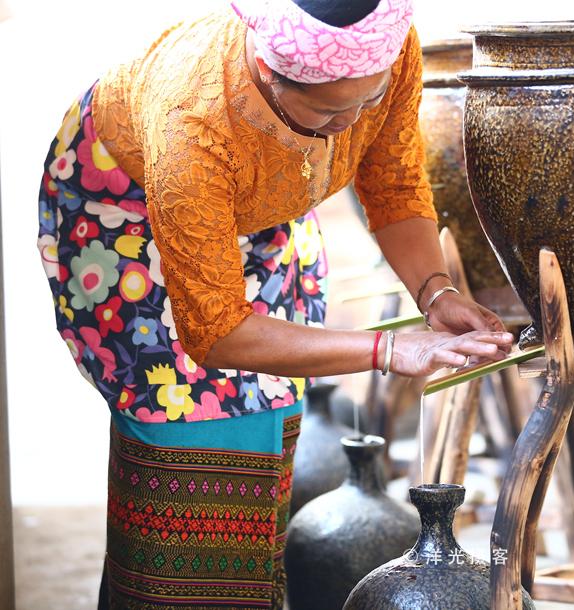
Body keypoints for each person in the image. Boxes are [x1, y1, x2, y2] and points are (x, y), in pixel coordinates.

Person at [36, 0, 512, 607]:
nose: (351, 124)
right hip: (125, 218)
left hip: (260, 208)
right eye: (329, 108)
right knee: (185, 423)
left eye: (368, 100)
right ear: (268, 71)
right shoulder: (193, 115)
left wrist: (435, 292)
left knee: (265, 418)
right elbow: (216, 335)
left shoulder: (388, 48)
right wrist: (390, 348)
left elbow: (392, 182)